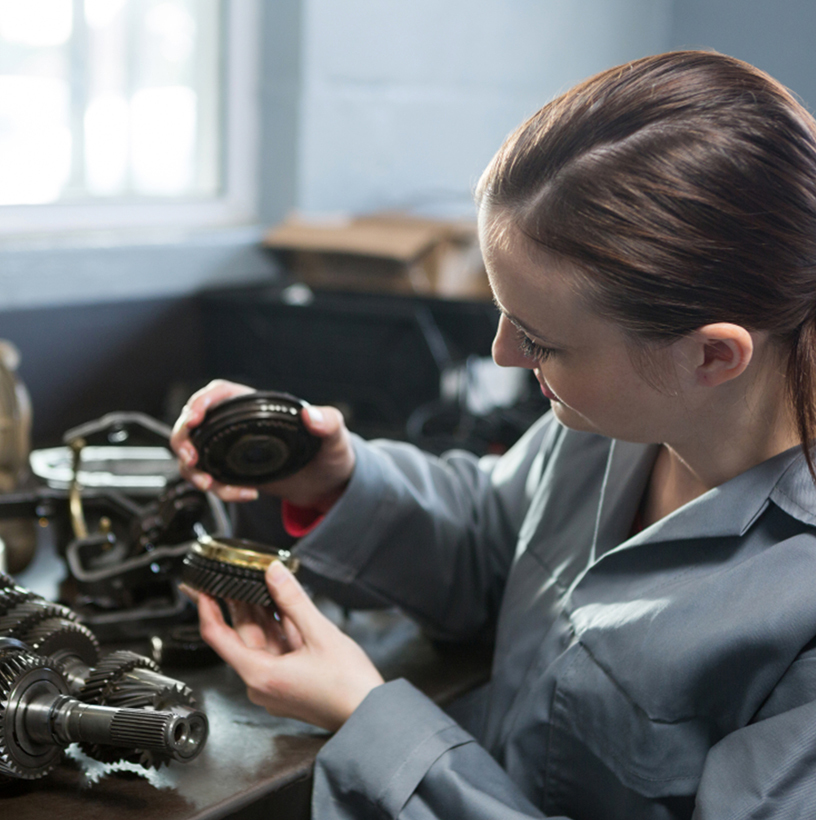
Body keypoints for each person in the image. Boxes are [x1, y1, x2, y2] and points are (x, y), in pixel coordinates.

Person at [171, 51, 816, 819]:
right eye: (504, 314)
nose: (504, 354)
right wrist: (335, 480)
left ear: (713, 353)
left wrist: (372, 721)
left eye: (541, 341)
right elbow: (498, 540)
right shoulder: (615, 423)